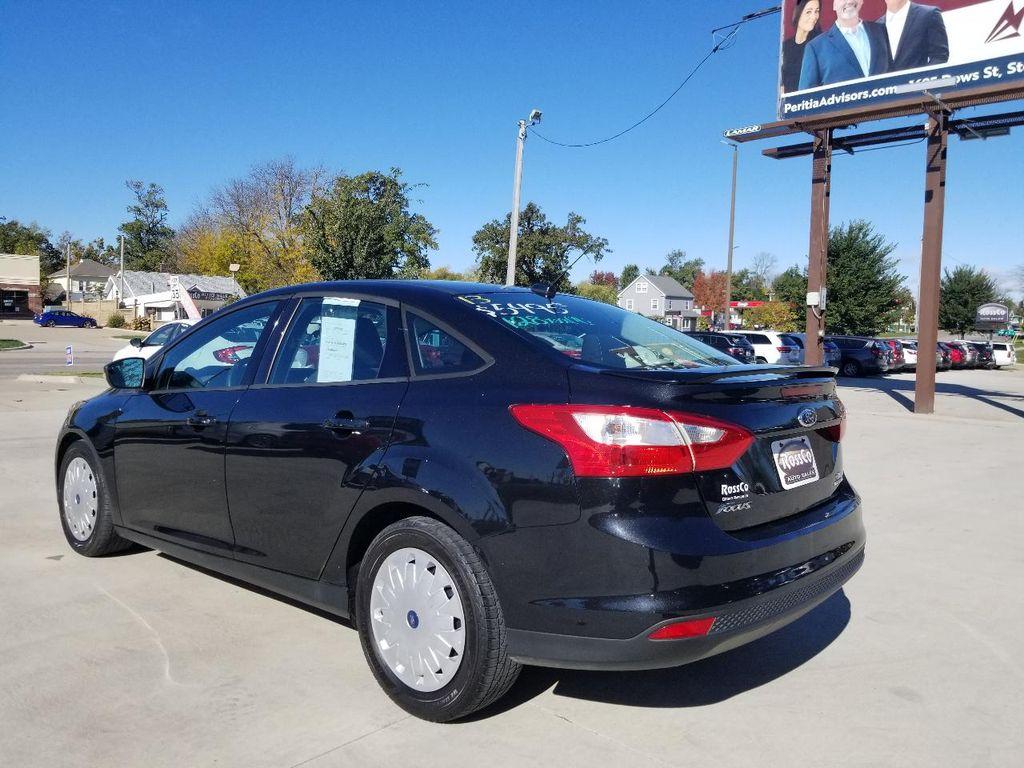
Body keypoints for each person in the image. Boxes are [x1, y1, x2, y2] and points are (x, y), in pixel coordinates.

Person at [799, 0, 889, 90]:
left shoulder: (881, 31)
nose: (849, 1)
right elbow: (805, 97)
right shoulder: (816, 47)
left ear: (861, 1)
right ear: (834, 5)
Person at [879, 0, 948, 71]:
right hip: (887, 82)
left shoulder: (929, 14)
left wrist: (923, 79)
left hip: (920, 80)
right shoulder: (876, 26)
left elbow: (939, 56)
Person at [782, 0, 822, 93]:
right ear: (798, 13)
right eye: (808, 12)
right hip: (790, 105)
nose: (814, 17)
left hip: (813, 102)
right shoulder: (785, 47)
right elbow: (782, 84)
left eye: (816, 11)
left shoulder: (819, 44)